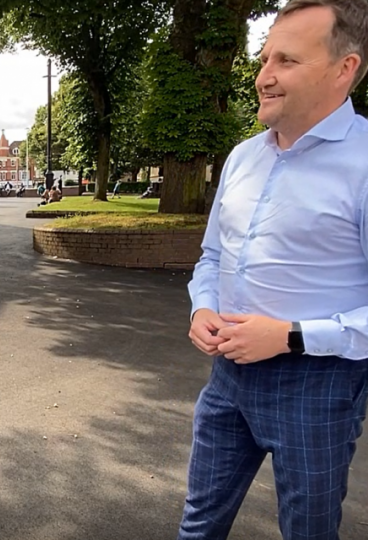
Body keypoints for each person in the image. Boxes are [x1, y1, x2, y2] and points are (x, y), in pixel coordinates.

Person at [181, 1, 368, 538]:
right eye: (264, 60)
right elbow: (212, 256)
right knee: (199, 524)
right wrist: (203, 307)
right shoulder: (242, 157)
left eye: (286, 60)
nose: (264, 77)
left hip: (320, 385)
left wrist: (290, 336)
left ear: (344, 68)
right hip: (227, 376)